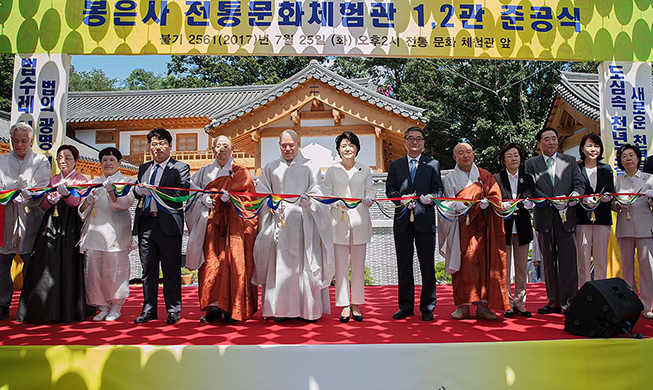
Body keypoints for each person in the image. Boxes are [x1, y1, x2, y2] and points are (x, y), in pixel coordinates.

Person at [252, 129, 335, 322]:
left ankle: (308, 310)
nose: (288, 149)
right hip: (279, 224)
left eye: (291, 145)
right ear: (279, 145)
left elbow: (319, 190)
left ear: (299, 144)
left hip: (303, 224)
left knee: (304, 266)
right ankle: (280, 310)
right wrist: (270, 203)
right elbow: (262, 192)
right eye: (284, 145)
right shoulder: (270, 168)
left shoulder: (310, 166)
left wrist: (310, 200)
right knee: (279, 267)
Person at [16, 145, 93, 323]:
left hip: (70, 224)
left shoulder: (81, 179)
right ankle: (45, 307)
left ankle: (68, 309)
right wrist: (48, 199)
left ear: (76, 160)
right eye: (60, 158)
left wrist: (66, 195)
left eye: (67, 158)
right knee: (45, 260)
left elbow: (76, 203)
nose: (63, 161)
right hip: (51, 222)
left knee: (68, 262)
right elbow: (43, 206)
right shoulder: (53, 179)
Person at [185, 135, 258, 323]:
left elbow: (250, 199)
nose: (222, 150)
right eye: (218, 146)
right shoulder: (204, 172)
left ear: (232, 148)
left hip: (235, 227)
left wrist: (233, 199)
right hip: (211, 224)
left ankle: (234, 307)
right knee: (212, 263)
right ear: (212, 149)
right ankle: (214, 307)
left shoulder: (240, 172)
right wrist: (202, 199)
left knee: (234, 263)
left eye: (225, 146)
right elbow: (191, 191)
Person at [439, 142, 509, 320]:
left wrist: (487, 204)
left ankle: (483, 306)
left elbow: (495, 198)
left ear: (473, 155)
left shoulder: (484, 176)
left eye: (468, 152)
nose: (465, 156)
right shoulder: (449, 179)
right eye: (461, 153)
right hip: (461, 227)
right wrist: (459, 204)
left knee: (484, 264)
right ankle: (462, 305)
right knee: (463, 265)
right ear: (455, 157)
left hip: (482, 228)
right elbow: (446, 204)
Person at [132, 128, 190, 325]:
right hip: (147, 223)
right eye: (154, 144)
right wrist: (139, 190)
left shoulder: (180, 168)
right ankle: (148, 310)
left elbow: (180, 193)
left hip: (168, 224)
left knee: (171, 269)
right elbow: (137, 193)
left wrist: (155, 191)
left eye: (162, 143)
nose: (158, 148)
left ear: (170, 145)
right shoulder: (144, 169)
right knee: (147, 270)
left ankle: (173, 309)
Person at [525, 127, 584, 315]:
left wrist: (574, 195)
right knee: (548, 261)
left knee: (568, 261)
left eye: (554, 139)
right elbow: (530, 187)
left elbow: (579, 183)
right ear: (539, 143)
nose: (551, 142)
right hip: (544, 216)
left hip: (566, 216)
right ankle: (553, 301)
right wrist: (550, 200)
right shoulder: (531, 163)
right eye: (547, 139)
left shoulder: (570, 160)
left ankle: (569, 301)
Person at [386, 126, 442, 322]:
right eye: (410, 138)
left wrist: (431, 198)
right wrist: (399, 198)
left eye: (419, 139)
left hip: (425, 220)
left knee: (427, 265)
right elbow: (390, 190)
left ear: (424, 143)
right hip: (402, 220)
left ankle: (427, 306)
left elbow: (439, 190)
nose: (415, 142)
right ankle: (405, 306)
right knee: (404, 265)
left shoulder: (433, 164)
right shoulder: (396, 165)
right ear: (405, 142)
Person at [78, 147, 135, 321]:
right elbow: (81, 211)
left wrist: (111, 191)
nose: (108, 163)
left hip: (115, 234)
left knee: (115, 271)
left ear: (119, 162)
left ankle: (115, 306)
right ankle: (101, 306)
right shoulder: (93, 182)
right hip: (95, 234)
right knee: (94, 272)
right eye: (104, 160)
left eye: (111, 160)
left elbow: (123, 204)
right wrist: (88, 200)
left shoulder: (126, 182)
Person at [0, 122, 50, 320]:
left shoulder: (40, 160)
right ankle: (2, 303)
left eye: (23, 141)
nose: (19, 144)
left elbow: (42, 186)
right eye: (15, 141)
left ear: (31, 141)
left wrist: (24, 192)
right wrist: (15, 190)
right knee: (2, 265)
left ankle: (30, 304)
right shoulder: (2, 160)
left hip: (31, 216)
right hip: (6, 216)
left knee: (32, 264)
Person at [323, 132, 374, 323]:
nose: (348, 148)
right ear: (338, 149)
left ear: (357, 148)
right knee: (341, 266)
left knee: (358, 266)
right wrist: (337, 203)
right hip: (339, 221)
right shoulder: (331, 170)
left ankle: (356, 304)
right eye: (344, 145)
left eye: (351, 145)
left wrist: (369, 200)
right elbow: (326, 194)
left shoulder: (365, 169)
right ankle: (344, 304)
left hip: (360, 222)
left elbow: (370, 191)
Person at [494, 143, 535, 318]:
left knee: (521, 267)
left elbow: (534, 198)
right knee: (505, 267)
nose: (514, 159)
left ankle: (520, 303)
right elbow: (492, 199)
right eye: (509, 156)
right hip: (505, 226)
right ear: (503, 160)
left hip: (523, 226)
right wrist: (501, 204)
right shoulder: (497, 178)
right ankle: (507, 303)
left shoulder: (527, 178)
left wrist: (530, 203)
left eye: (516, 155)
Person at [612, 144, 653, 319]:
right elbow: (612, 205)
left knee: (647, 268)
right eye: (624, 156)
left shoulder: (648, 178)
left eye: (631, 155)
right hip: (625, 228)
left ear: (638, 158)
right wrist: (617, 204)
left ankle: (648, 306)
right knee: (626, 268)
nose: (628, 158)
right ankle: (630, 304)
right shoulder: (617, 181)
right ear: (620, 161)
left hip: (645, 227)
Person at [576, 134, 614, 285]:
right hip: (582, 218)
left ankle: (601, 292)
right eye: (589, 146)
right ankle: (585, 291)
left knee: (600, 258)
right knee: (583, 257)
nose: (593, 149)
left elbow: (611, 191)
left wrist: (607, 197)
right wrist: (582, 198)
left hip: (602, 218)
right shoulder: (576, 168)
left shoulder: (606, 169)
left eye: (596, 146)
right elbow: (573, 190)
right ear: (582, 149)